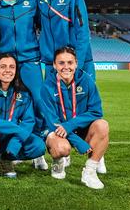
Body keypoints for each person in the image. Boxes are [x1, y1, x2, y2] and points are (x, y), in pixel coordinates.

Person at [0, 0, 49, 170]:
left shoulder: (32, 3)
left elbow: (42, 26)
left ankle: (36, 151)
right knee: (4, 104)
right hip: (6, 62)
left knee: (38, 102)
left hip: (30, 60)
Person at [40, 47, 109, 189]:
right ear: (54, 65)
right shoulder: (47, 86)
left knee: (102, 125)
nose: (66, 67)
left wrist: (70, 125)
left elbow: (96, 112)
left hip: (80, 129)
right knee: (61, 148)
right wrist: (78, 142)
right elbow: (53, 122)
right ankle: (58, 163)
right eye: (61, 63)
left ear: (76, 63)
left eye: (70, 63)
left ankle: (89, 172)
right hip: (57, 131)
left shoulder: (86, 81)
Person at [0, 54, 46, 182]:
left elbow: (28, 121)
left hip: (9, 138)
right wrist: (18, 131)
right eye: (3, 66)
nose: (8, 70)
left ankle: (6, 159)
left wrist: (15, 142)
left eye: (12, 67)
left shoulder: (23, 92)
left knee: (38, 145)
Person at [35, 0, 96, 80]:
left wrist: (77, 62)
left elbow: (82, 30)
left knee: (81, 98)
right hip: (51, 62)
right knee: (53, 98)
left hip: (71, 60)